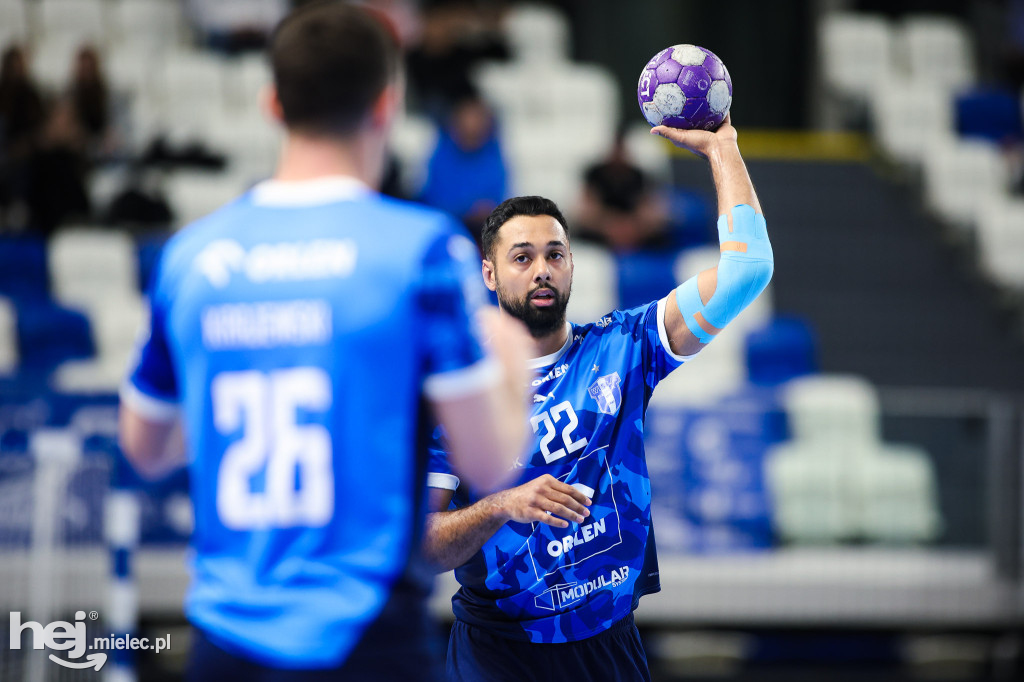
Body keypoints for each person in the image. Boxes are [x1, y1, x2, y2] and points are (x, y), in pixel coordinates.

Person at [117, 3, 529, 680]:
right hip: (369, 636)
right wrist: (508, 354)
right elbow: (489, 462)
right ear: (386, 106)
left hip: (225, 639)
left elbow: (148, 449)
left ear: (271, 103)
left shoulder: (192, 257)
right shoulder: (420, 252)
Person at [424, 114, 774, 682]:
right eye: (522, 257)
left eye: (555, 254)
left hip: (609, 645)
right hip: (500, 652)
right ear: (488, 273)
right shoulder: (459, 392)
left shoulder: (623, 347)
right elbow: (424, 550)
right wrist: (502, 505)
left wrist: (723, 149)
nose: (542, 270)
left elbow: (749, 270)